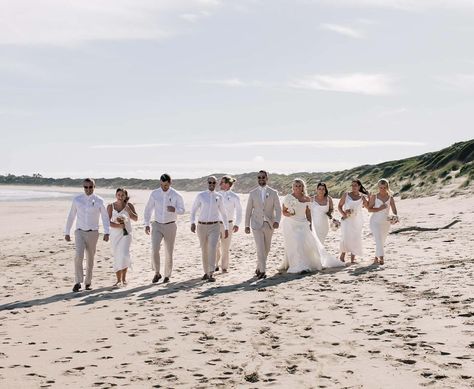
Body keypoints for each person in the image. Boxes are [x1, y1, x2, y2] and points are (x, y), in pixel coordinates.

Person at [280, 179, 344, 273]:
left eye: (299, 186)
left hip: (303, 223)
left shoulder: (307, 199)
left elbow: (308, 213)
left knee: (304, 243)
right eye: (296, 186)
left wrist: (310, 224)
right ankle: (298, 265)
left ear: (303, 187)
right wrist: (290, 214)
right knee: (296, 243)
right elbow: (284, 211)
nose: (297, 187)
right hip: (291, 224)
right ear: (293, 187)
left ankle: (304, 263)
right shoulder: (288, 197)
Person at [64, 178, 110, 292]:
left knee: (90, 258)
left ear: (94, 187)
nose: (88, 189)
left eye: (90, 187)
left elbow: (105, 217)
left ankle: (88, 283)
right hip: (79, 231)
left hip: (93, 233)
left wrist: (107, 231)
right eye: (86, 187)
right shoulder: (77, 200)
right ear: (83, 187)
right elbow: (71, 216)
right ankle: (78, 282)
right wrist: (67, 232)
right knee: (78, 256)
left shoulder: (99, 200)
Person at [144, 174, 185, 284]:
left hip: (170, 225)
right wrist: (146, 224)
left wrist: (174, 209)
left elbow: (182, 210)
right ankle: (157, 273)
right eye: (162, 185)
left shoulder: (176, 194)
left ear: (170, 183)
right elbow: (148, 209)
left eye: (166, 185)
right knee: (154, 249)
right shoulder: (155, 193)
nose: (163, 187)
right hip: (157, 225)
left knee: (169, 251)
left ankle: (167, 275)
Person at [191, 176, 229, 282]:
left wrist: (226, 227)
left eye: (213, 183)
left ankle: (211, 272)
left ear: (216, 184)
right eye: (210, 182)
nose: (211, 184)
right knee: (204, 250)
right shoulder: (201, 196)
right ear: (207, 183)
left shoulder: (219, 196)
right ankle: (206, 272)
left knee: (212, 247)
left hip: (214, 226)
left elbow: (223, 213)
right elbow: (193, 210)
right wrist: (192, 223)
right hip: (201, 226)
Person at [244, 170, 282, 279]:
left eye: (263, 177)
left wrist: (277, 221)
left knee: (267, 248)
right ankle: (263, 271)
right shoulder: (252, 193)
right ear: (257, 179)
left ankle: (259, 266)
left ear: (267, 178)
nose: (261, 179)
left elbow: (278, 209)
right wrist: (246, 225)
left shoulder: (273, 192)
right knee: (260, 248)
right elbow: (248, 210)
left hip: (269, 224)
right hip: (256, 224)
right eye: (259, 177)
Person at [107, 188, 137, 287]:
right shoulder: (110, 206)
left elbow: (136, 218)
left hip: (127, 234)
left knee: (124, 254)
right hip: (115, 235)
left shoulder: (129, 205)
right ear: (116, 195)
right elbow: (107, 222)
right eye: (119, 195)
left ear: (125, 196)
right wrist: (119, 226)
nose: (120, 197)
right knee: (117, 256)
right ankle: (118, 280)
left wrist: (129, 211)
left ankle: (124, 279)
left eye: (122, 195)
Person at [368, 179, 398, 265]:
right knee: (378, 239)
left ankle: (376, 257)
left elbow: (394, 210)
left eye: (384, 187)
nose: (382, 189)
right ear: (378, 187)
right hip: (375, 221)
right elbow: (369, 209)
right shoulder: (374, 197)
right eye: (381, 187)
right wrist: (379, 208)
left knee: (381, 241)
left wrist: (395, 217)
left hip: (386, 222)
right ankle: (381, 258)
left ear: (387, 187)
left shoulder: (390, 198)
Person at [338, 179, 369, 263]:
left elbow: (368, 207)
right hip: (347, 220)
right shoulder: (346, 195)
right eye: (352, 185)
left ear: (359, 186)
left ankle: (352, 258)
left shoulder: (362, 197)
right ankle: (342, 256)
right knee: (346, 236)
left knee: (356, 237)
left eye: (355, 185)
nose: (353, 187)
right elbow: (339, 206)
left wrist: (368, 197)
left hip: (357, 220)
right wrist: (344, 214)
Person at [216, 175, 242, 273]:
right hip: (216, 224)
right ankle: (215, 264)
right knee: (215, 245)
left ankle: (224, 266)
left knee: (225, 247)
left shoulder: (235, 197)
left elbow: (239, 211)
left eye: (222, 182)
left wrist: (237, 224)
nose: (220, 184)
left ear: (227, 184)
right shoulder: (216, 195)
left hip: (229, 224)